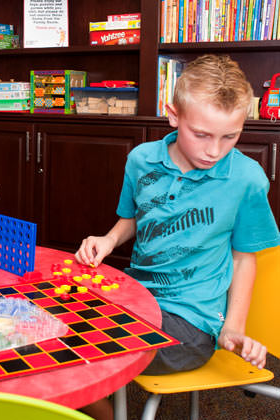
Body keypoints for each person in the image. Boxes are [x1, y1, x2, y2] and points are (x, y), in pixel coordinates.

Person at [75, 55, 280, 420]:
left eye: (230, 136)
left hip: (192, 321)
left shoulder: (246, 179)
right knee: (58, 322)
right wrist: (108, 240)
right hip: (136, 298)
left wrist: (232, 329)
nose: (214, 151)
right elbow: (135, 217)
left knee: (86, 346)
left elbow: (244, 258)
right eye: (201, 134)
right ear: (173, 115)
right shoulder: (142, 160)